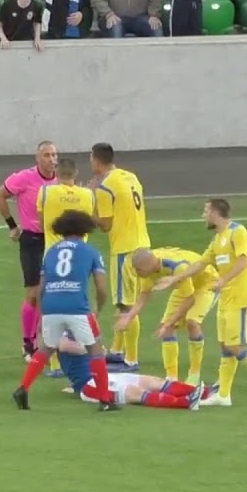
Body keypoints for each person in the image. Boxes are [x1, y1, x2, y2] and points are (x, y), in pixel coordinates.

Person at [155, 199, 247, 407]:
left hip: (241, 297)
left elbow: (243, 261)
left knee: (235, 345)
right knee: (224, 346)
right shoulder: (217, 239)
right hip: (226, 298)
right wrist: (174, 280)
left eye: (206, 211)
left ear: (216, 212)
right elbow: (200, 264)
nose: (203, 215)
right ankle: (224, 395)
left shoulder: (238, 232)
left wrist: (223, 280)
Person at [13, 210, 118, 412]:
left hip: (51, 305)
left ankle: (23, 388)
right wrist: (98, 308)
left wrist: (43, 314)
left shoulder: (51, 252)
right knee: (95, 350)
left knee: (46, 348)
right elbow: (102, 289)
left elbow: (40, 288)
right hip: (77, 307)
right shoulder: (90, 252)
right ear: (85, 229)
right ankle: (105, 400)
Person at [0, 140, 58, 361]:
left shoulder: (60, 181)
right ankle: (29, 343)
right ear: (37, 158)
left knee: (49, 292)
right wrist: (12, 225)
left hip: (53, 239)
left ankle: (45, 339)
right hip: (31, 239)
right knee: (33, 292)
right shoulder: (24, 178)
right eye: (46, 155)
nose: (51, 159)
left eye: (54, 155)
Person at [116, 247, 219, 384]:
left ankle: (194, 373)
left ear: (147, 265)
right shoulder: (148, 270)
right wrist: (129, 317)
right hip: (183, 285)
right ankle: (171, 378)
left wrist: (170, 323)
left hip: (207, 284)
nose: (136, 273)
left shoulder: (177, 267)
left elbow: (190, 299)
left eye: (138, 270)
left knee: (192, 322)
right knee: (165, 328)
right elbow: (144, 295)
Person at [90, 142, 150, 372]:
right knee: (127, 300)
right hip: (142, 244)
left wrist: (91, 207)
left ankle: (131, 359)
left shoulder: (105, 186)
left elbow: (105, 224)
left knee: (126, 305)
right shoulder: (130, 177)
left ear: (95, 160)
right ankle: (117, 349)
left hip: (124, 249)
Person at [35, 157, 96, 377]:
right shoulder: (88, 194)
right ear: (76, 173)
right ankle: (79, 352)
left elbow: (41, 220)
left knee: (50, 306)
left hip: (53, 255)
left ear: (56, 173)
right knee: (76, 305)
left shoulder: (46, 192)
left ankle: (54, 363)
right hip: (80, 259)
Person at [55, 334, 210, 410]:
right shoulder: (62, 330)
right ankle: (186, 402)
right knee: (135, 393)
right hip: (90, 386)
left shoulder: (79, 325)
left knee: (152, 381)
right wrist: (93, 349)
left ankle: (206, 393)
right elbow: (63, 345)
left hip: (105, 376)